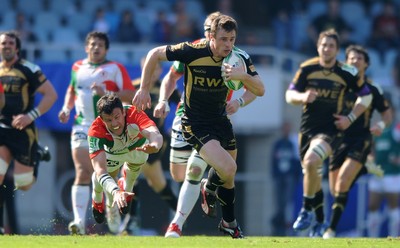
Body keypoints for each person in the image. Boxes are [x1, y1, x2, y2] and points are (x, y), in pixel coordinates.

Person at [132, 14, 265, 238]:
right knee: (184, 174)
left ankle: (227, 220)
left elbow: (260, 89)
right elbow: (155, 54)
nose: (228, 45)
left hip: (220, 120)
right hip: (194, 121)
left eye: (232, 39)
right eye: (223, 39)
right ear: (210, 35)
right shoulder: (192, 51)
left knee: (227, 173)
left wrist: (242, 85)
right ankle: (207, 193)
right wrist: (146, 90)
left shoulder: (238, 57)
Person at [285, 29, 372, 236]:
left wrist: (350, 118)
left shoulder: (347, 71)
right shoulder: (307, 68)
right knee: (311, 173)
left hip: (331, 130)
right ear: (318, 47)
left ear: (337, 50)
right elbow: (289, 95)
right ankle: (320, 221)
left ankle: (305, 210)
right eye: (324, 45)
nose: (327, 49)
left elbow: (366, 97)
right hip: (306, 129)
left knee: (312, 161)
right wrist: (303, 97)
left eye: (331, 46)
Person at [58, 31, 135, 235]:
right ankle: (78, 223)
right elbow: (72, 90)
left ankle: (112, 211)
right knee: (83, 171)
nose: (96, 47)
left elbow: (130, 93)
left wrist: (108, 94)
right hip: (83, 126)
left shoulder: (115, 68)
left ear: (106, 49)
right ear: (86, 47)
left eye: (100, 44)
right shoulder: (77, 67)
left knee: (108, 175)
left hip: (109, 128)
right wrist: (66, 108)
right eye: (92, 44)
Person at [323, 45, 393, 239]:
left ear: (366, 64)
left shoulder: (372, 88)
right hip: (338, 140)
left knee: (344, 181)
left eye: (359, 59)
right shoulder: (338, 85)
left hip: (360, 140)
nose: (354, 61)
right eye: (351, 58)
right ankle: (363, 167)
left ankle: (331, 229)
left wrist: (380, 124)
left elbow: (387, 114)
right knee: (335, 189)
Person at [118, 57, 180, 235]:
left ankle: (131, 220)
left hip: (156, 141)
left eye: (154, 68)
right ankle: (181, 214)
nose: (151, 72)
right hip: (135, 140)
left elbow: (183, 105)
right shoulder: (134, 87)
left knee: (132, 173)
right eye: (147, 68)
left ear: (160, 70)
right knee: (157, 183)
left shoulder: (166, 87)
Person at [88, 94, 163, 233]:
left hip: (137, 147)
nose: (115, 124)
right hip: (113, 153)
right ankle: (101, 201)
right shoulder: (95, 130)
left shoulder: (135, 113)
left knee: (135, 169)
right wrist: (115, 192)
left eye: (117, 117)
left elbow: (155, 134)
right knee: (105, 177)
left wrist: (155, 145)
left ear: (123, 112)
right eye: (109, 120)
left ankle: (125, 187)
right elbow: (100, 170)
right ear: (101, 120)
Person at [0, 31, 57, 192]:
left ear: (17, 48)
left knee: (23, 185)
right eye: (3, 43)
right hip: (2, 129)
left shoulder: (29, 69)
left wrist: (30, 116)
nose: (7, 46)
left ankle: (37, 154)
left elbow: (51, 95)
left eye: (11, 43)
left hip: (22, 131)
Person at [367, 119, 400, 237]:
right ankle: (372, 241)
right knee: (372, 206)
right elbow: (371, 151)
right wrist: (371, 163)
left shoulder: (396, 131)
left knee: (393, 207)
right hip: (377, 175)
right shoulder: (376, 133)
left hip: (392, 176)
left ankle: (395, 240)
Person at [270, 121, 302, 236]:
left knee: (289, 202)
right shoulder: (278, 144)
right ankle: (279, 225)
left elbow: (297, 160)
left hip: (290, 176)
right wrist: (274, 174)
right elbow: (273, 161)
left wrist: (297, 175)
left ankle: (288, 226)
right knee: (280, 202)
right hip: (280, 176)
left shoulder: (292, 144)